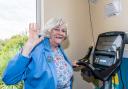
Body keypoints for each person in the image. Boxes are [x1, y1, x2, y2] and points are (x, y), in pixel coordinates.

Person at [2, 17, 77, 89]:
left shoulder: (58, 48)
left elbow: (56, 65)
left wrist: (70, 65)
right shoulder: (36, 49)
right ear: (49, 31)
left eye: (63, 31)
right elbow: (9, 79)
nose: (60, 33)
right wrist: (27, 48)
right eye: (56, 29)